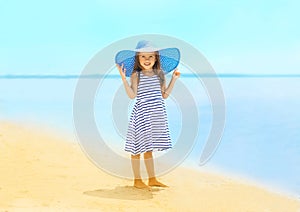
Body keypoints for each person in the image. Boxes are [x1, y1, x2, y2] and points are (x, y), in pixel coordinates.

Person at [115, 40, 180, 189]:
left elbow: (164, 95)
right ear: (138, 59)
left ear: (156, 58)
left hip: (156, 115)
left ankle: (152, 179)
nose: (147, 60)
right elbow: (132, 95)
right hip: (141, 115)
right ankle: (137, 180)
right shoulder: (136, 76)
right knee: (137, 148)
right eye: (143, 56)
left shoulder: (160, 75)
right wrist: (124, 79)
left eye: (150, 56)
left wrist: (174, 79)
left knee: (149, 149)